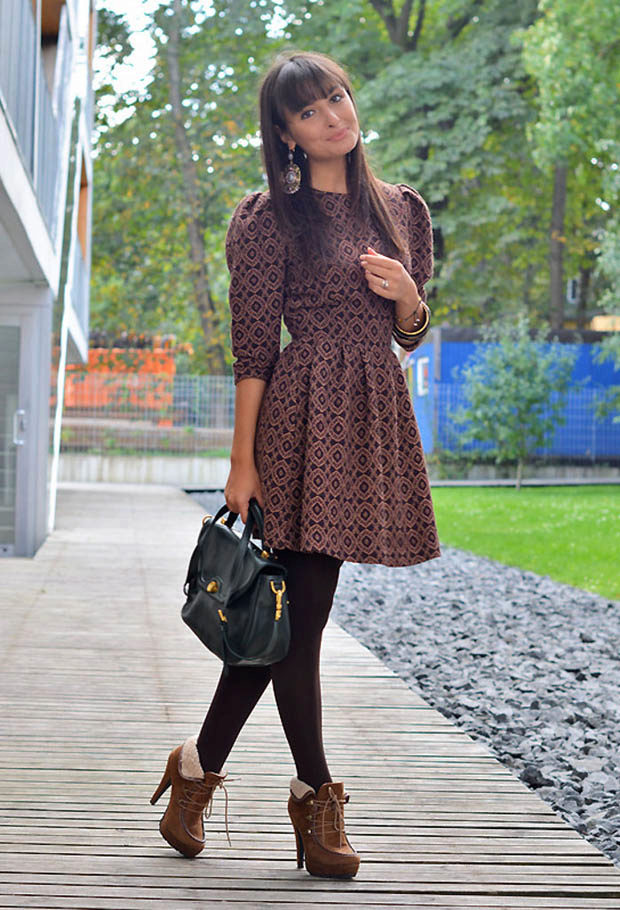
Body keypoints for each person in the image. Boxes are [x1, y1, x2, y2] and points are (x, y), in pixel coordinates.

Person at [150, 49, 440, 880]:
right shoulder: (268, 218)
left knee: (292, 620)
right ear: (285, 133)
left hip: (367, 419)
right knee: (300, 619)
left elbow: (411, 332)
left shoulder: (402, 210)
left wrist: (406, 297)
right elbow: (252, 352)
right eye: (310, 111)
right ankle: (315, 799)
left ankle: (197, 770)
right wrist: (240, 462)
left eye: (337, 98)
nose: (333, 118)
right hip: (297, 419)